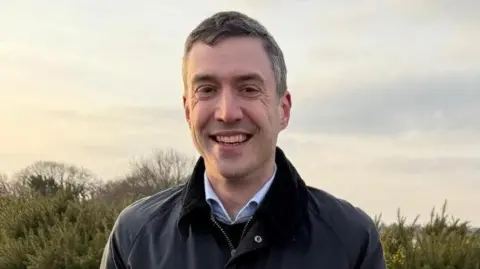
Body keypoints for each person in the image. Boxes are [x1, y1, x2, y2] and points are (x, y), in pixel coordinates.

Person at [99, 10, 387, 269]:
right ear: (188, 110)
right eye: (207, 90)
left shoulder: (351, 240)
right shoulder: (135, 236)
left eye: (249, 89)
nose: (227, 113)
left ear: (283, 110)